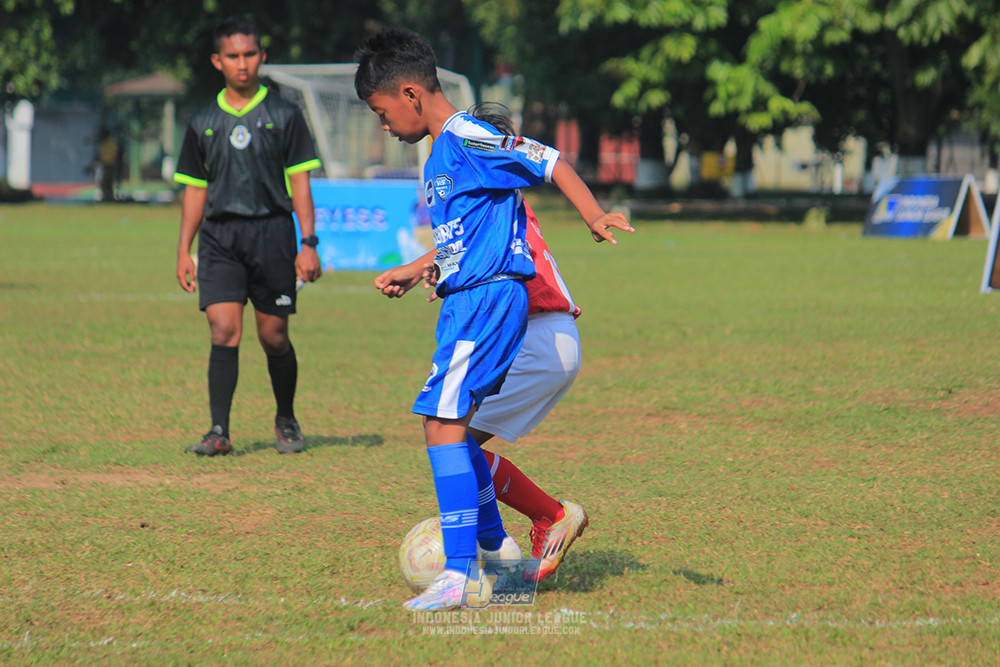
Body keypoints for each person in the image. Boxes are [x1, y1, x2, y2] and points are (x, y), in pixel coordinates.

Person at [355, 27, 632, 610]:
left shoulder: (467, 138)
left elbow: (547, 159)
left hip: (506, 312)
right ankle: (497, 555)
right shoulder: (442, 158)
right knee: (445, 431)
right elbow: (467, 240)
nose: (383, 127)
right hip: (480, 304)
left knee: (446, 429)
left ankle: (468, 569)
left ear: (409, 94)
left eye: (381, 113)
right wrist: (426, 269)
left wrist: (592, 214)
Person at [374, 105, 593, 585]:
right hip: (545, 336)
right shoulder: (493, 201)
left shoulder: (502, 196)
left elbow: (488, 253)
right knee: (453, 439)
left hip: (537, 334)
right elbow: (465, 248)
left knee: (450, 438)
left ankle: (529, 527)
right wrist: (428, 268)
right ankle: (506, 539)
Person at [173, 16, 322, 456]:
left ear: (262, 56)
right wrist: (184, 249)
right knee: (223, 330)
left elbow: (300, 184)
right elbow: (195, 190)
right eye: (233, 56)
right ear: (218, 60)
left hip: (272, 234)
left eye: (250, 54)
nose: (243, 63)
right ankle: (219, 430)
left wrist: (308, 244)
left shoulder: (284, 115)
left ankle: (286, 418)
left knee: (273, 335)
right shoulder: (202, 120)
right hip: (219, 239)